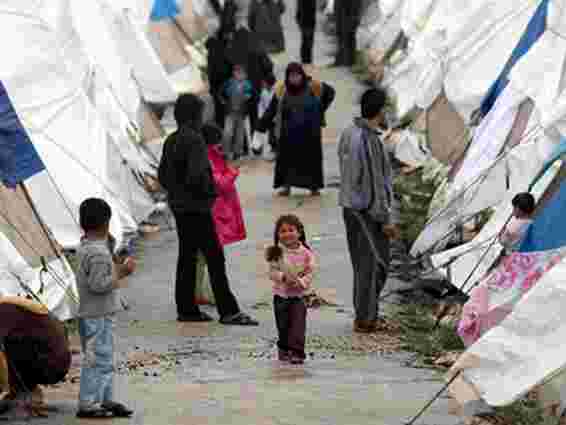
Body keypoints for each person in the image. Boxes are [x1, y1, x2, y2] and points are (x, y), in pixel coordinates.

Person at [158, 94, 258, 326]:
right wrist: (210, 192)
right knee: (214, 257)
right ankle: (228, 311)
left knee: (187, 257)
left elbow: (163, 175)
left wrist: (177, 192)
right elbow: (197, 175)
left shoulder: (171, 140)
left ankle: (187, 309)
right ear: (195, 115)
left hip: (180, 207)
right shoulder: (195, 140)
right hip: (197, 208)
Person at [338, 88, 399, 334]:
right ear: (379, 110)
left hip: (352, 208)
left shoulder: (349, 132)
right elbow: (375, 183)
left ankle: (366, 314)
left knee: (364, 264)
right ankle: (366, 319)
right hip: (365, 211)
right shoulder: (368, 140)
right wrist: (385, 218)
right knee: (374, 265)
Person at [76, 198, 134, 418]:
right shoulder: (98, 254)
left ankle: (105, 398)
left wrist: (111, 250)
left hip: (100, 313)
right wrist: (121, 272)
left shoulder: (87, 246)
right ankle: (88, 403)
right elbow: (98, 285)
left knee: (105, 358)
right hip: (95, 316)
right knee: (94, 360)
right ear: (106, 223)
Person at [257, 63, 335, 196]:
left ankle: (314, 187)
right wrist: (261, 126)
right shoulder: (282, 90)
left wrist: (320, 110)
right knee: (287, 161)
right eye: (291, 76)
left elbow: (330, 93)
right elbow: (271, 110)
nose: (294, 79)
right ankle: (286, 187)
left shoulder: (314, 87)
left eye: (297, 75)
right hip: (288, 133)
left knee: (311, 161)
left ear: (302, 75)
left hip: (310, 133)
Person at [0, 296, 71, 417]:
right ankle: (27, 391)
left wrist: (3, 386)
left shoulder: (3, 311)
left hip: (51, 364)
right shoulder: (8, 303)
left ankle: (23, 394)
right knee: (15, 341)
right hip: (56, 359)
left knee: (8, 347)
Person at [266, 215, 315, 365]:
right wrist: (283, 278)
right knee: (283, 325)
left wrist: (301, 282)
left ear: (299, 232)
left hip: (299, 297)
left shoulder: (307, 253)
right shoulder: (276, 253)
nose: (287, 234)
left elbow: (311, 272)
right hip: (280, 296)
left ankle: (297, 352)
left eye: (291, 230)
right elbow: (272, 272)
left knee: (298, 325)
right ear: (278, 235)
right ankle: (284, 348)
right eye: (282, 231)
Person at [220, 64, 254, 161]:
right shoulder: (229, 82)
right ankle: (226, 151)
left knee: (240, 132)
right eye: (237, 72)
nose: (239, 75)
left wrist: (248, 96)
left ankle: (237, 152)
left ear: (245, 74)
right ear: (234, 73)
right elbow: (222, 92)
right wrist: (223, 100)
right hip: (230, 111)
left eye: (241, 73)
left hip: (241, 112)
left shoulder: (247, 84)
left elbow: (251, 93)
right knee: (227, 132)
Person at [334, 0, 362, 67]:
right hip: (341, 6)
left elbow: (357, 5)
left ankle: (351, 61)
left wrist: (356, 16)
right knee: (340, 32)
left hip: (351, 8)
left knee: (350, 33)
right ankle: (340, 59)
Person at [296, 0, 317, 65]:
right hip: (307, 21)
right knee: (307, 41)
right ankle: (306, 61)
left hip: (307, 21)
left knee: (307, 41)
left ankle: (306, 60)